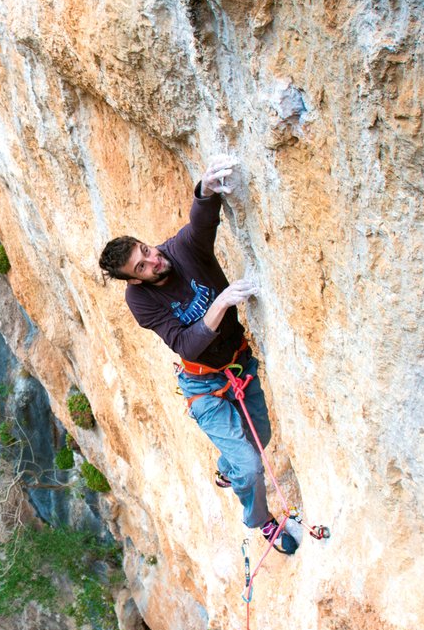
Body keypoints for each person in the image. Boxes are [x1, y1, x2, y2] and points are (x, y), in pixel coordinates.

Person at [97, 156, 289, 548]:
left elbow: (201, 225)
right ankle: (262, 521)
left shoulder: (180, 250)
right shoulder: (141, 303)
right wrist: (220, 304)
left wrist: (205, 190)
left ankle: (226, 466)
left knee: (261, 437)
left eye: (146, 250)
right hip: (203, 385)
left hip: (238, 362)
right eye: (143, 266)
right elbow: (185, 344)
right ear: (134, 280)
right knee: (251, 467)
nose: (154, 260)